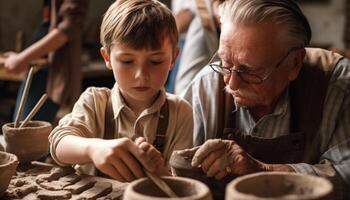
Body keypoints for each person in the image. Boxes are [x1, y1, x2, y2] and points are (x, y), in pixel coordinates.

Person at [181, 0, 350, 197]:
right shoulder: (207, 86)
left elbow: (346, 174)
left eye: (250, 71)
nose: (232, 83)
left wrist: (264, 171)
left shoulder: (335, 84)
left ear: (294, 63)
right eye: (225, 62)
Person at [49, 0, 193, 182]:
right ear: (107, 57)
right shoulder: (95, 102)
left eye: (155, 61)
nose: (141, 75)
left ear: (173, 58)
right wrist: (93, 149)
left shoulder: (181, 113)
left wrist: (160, 170)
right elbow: (58, 144)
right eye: (127, 61)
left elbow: (183, 186)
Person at [3, 0, 88, 124]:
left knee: (26, 132)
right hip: (36, 65)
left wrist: (22, 58)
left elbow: (71, 25)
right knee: (18, 128)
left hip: (51, 70)